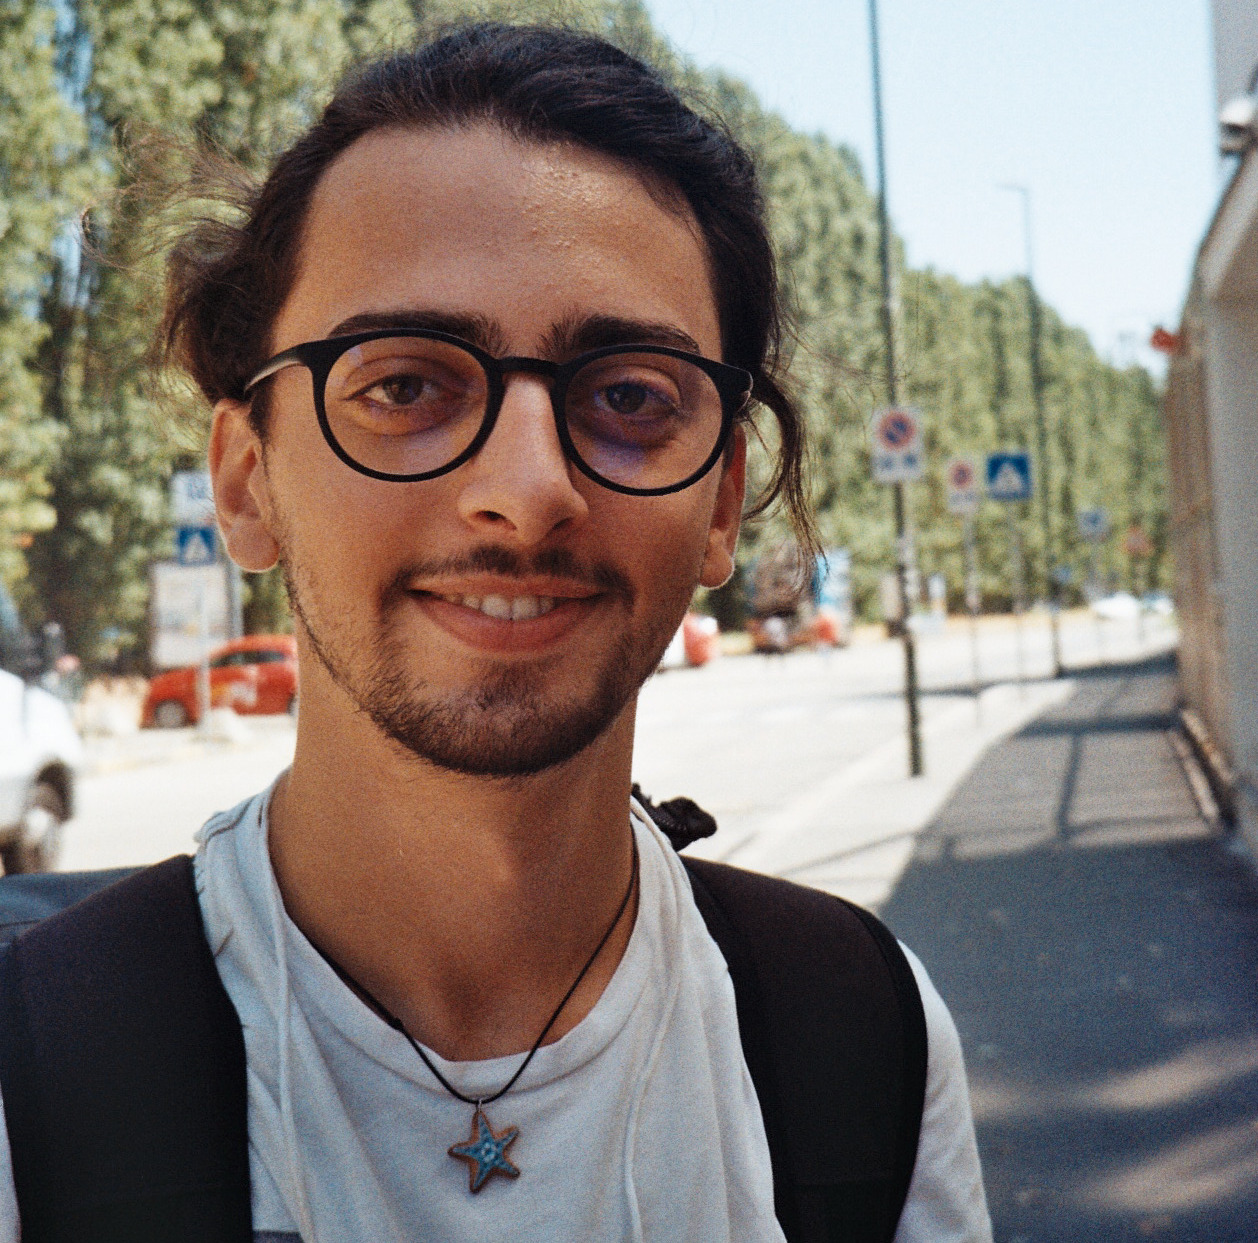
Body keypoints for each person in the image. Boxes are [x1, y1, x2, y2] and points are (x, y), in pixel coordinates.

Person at [0, 23, 991, 1242]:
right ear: (248, 479)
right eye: (403, 385)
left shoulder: (862, 1041)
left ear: (722, 500)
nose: (527, 490)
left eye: (629, 394)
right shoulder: (31, 1084)